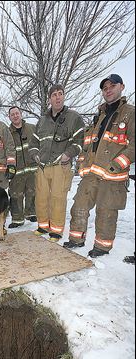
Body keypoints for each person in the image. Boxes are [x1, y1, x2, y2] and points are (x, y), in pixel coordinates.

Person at [63, 74, 135, 257]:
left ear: (122, 87)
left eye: (112, 86)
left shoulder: (130, 113)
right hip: (91, 173)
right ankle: (76, 239)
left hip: (112, 176)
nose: (108, 90)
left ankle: (102, 247)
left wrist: (117, 165)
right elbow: (87, 143)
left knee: (106, 211)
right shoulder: (100, 116)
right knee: (78, 205)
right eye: (105, 88)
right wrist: (81, 163)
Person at [29, 84, 85, 242]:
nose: (58, 97)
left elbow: (80, 141)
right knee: (41, 198)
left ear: (64, 96)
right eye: (54, 95)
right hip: (42, 166)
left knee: (57, 198)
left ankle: (56, 231)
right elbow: (33, 143)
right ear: (50, 99)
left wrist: (68, 154)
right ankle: (43, 226)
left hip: (61, 165)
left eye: (60, 94)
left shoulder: (74, 118)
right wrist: (35, 155)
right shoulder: (42, 121)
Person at [8, 106, 37, 228]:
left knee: (32, 191)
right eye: (12, 114)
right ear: (9, 117)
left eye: (17, 113)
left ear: (21, 114)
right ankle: (17, 219)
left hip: (32, 167)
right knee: (15, 194)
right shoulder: (7, 132)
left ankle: (31, 213)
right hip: (16, 169)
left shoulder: (32, 128)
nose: (15, 116)